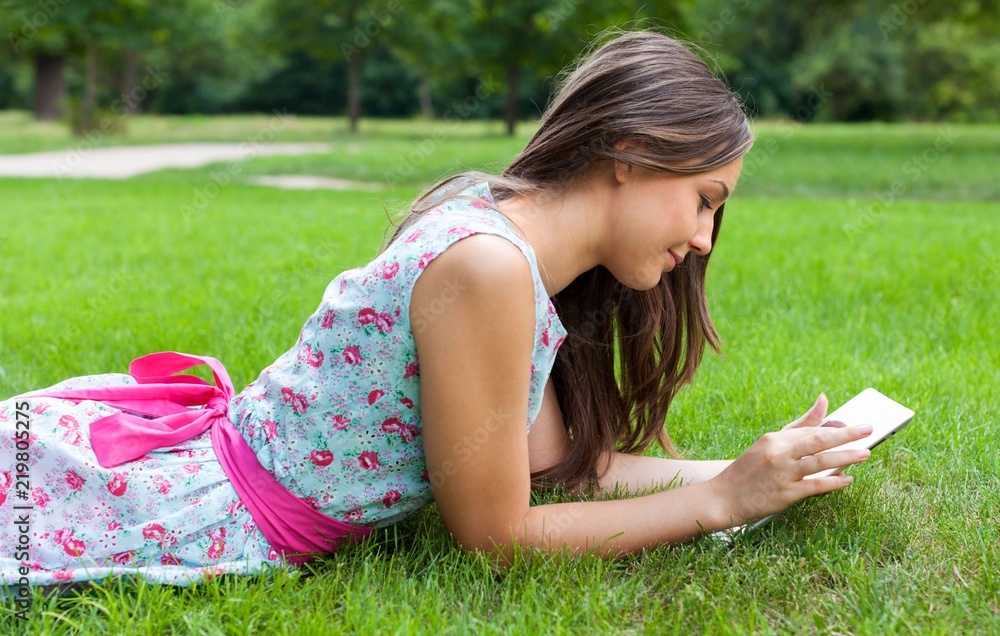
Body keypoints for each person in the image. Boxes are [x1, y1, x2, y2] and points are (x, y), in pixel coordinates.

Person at [0, 29, 872, 589]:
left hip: (202, 465)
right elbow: (495, 534)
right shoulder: (489, 268)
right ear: (632, 153)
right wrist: (718, 505)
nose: (707, 239)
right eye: (706, 199)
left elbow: (558, 470)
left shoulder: (506, 238)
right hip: (196, 507)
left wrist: (750, 476)